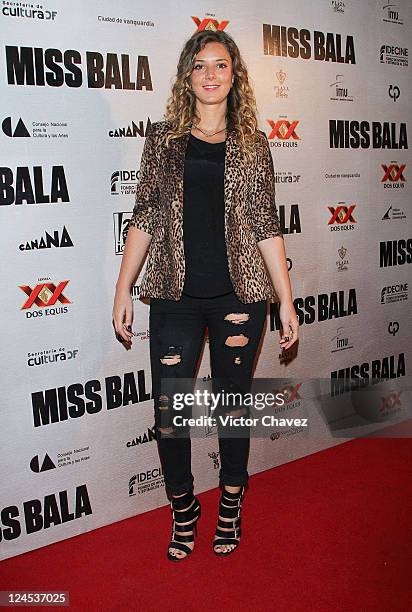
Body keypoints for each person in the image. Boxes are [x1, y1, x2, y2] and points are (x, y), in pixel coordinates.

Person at [112, 29, 299, 562]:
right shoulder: (163, 141)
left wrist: (285, 301)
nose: (211, 75)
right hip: (175, 295)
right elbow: (145, 216)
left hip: (239, 297)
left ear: (234, 74)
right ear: (186, 76)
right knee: (171, 412)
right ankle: (183, 507)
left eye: (220, 65)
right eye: (200, 66)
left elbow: (267, 225)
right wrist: (124, 288)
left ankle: (232, 502)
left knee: (231, 408)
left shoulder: (253, 145)